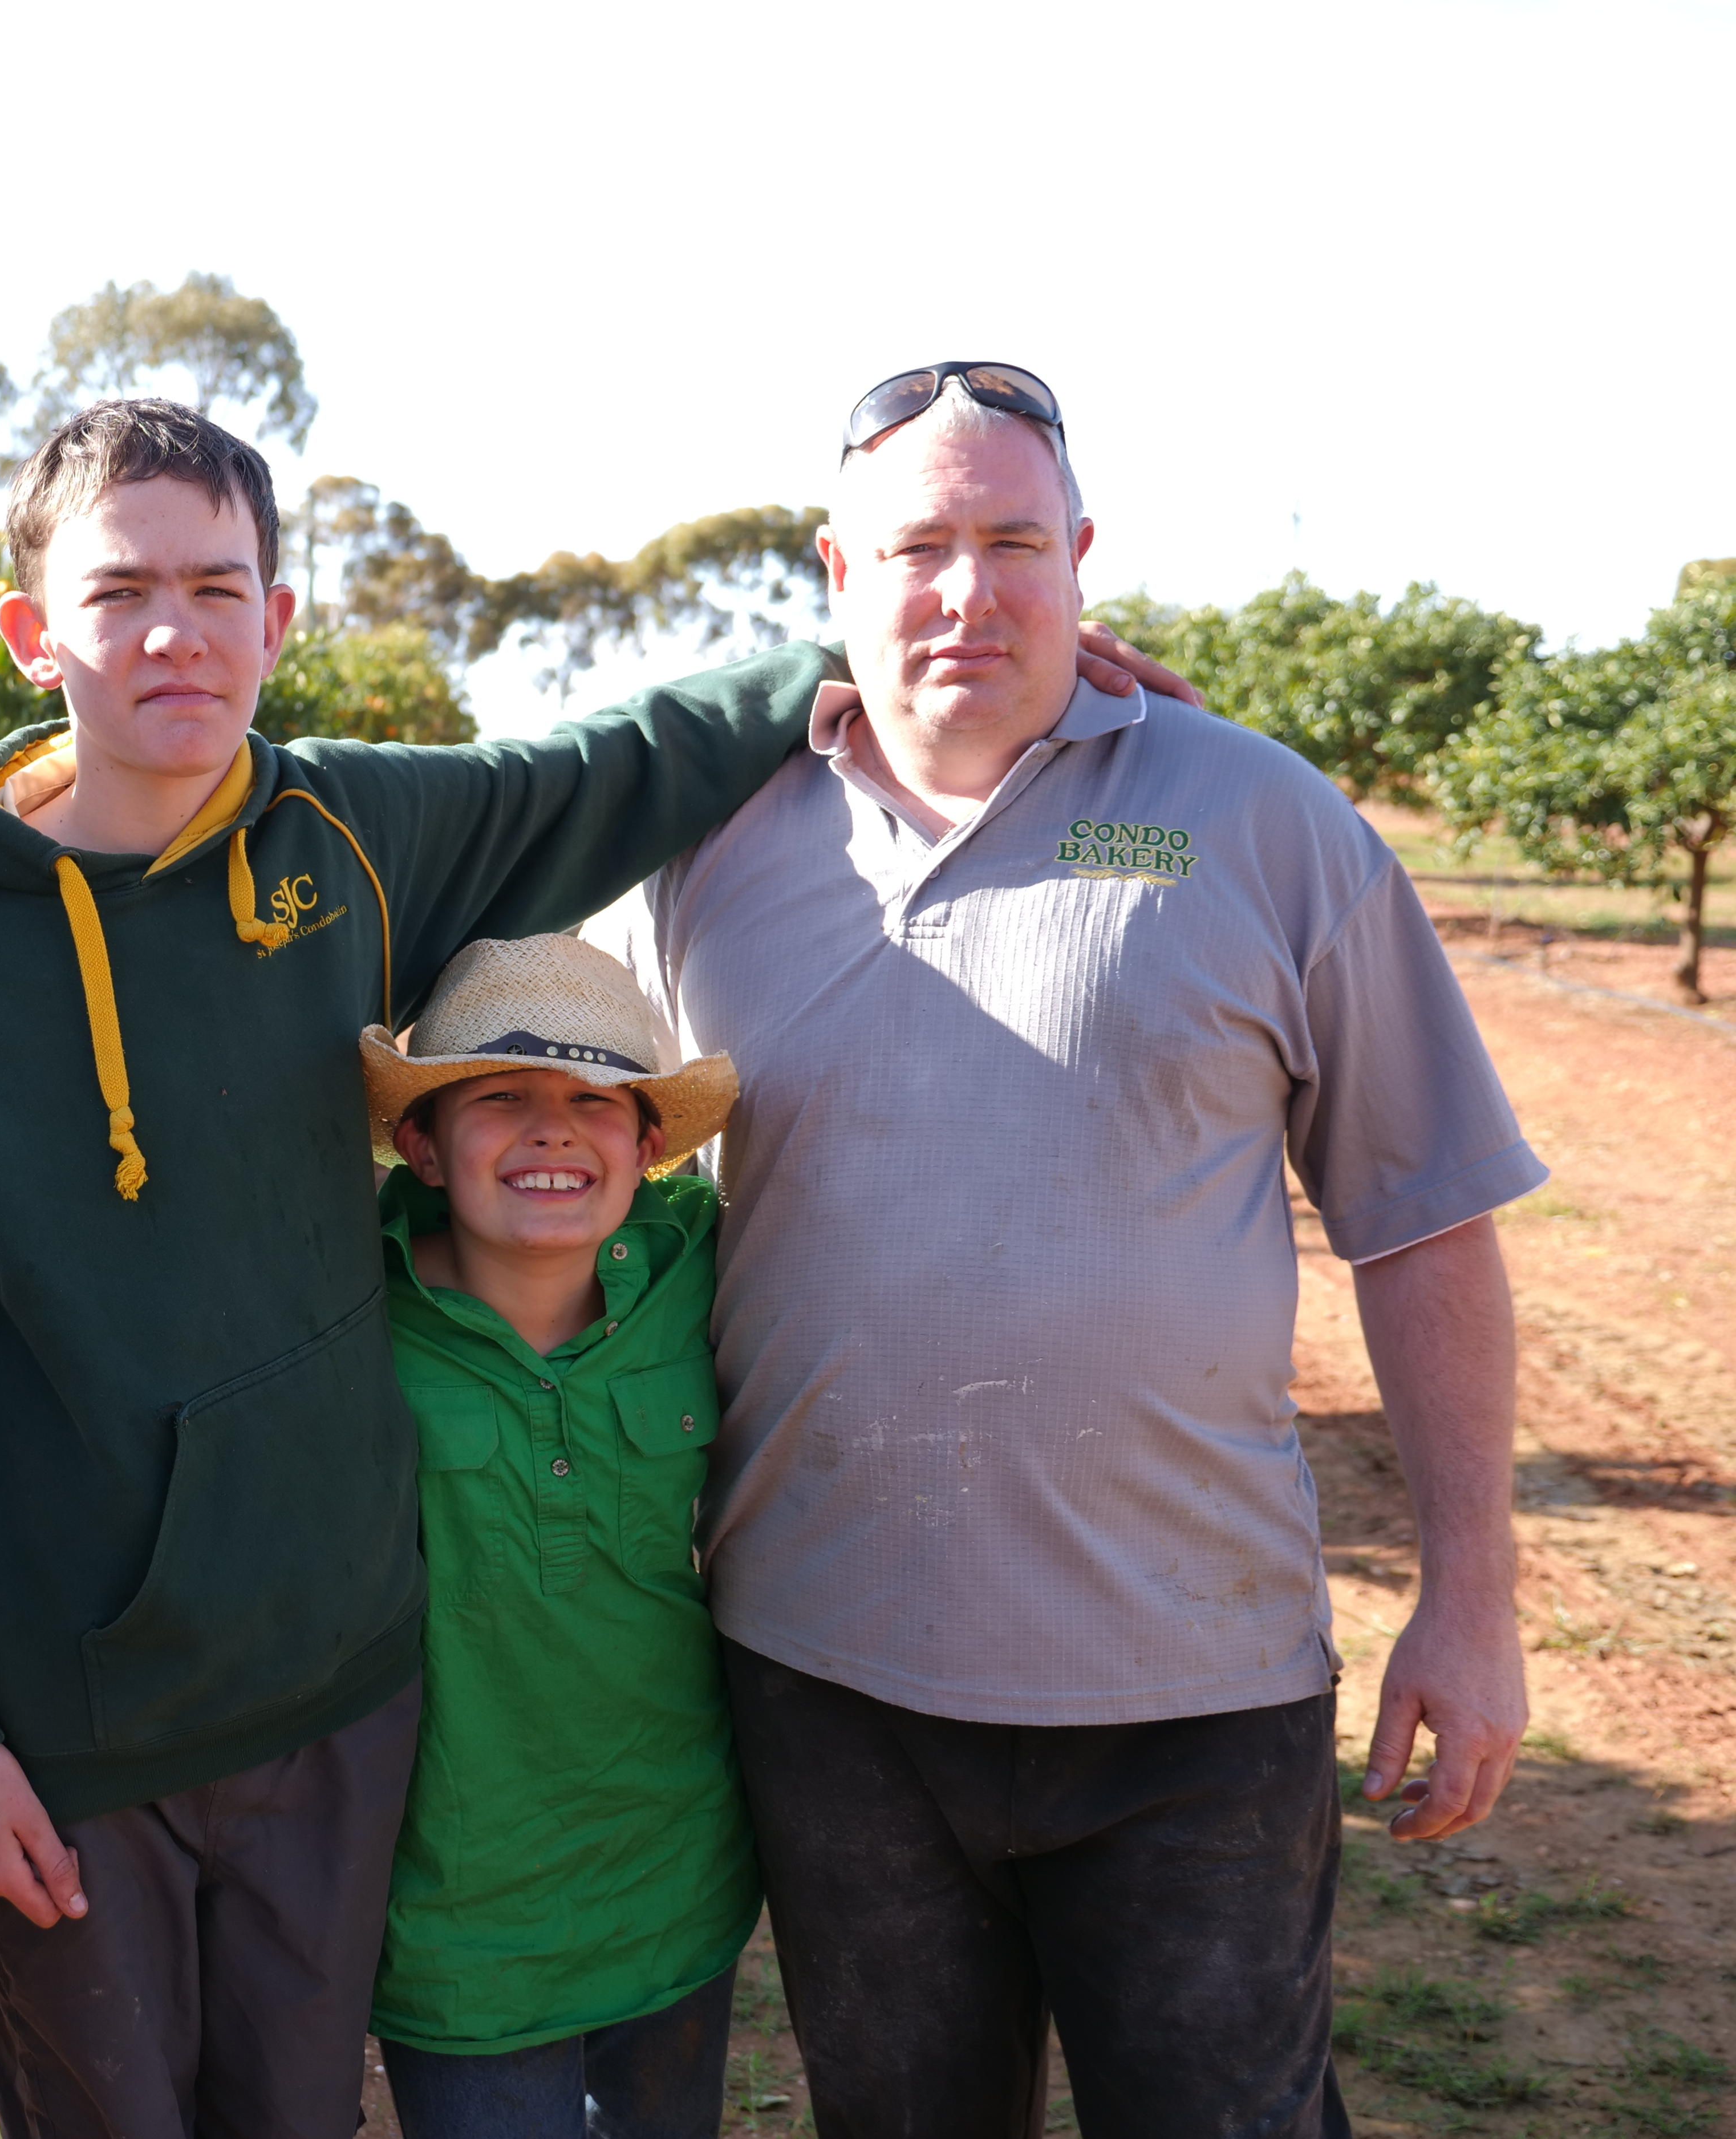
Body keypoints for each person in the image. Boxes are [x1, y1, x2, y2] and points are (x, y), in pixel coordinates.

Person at [0, 395, 1184, 2136]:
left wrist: (902, 634)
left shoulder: (344, 838)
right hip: (74, 1724)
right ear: (33, 631)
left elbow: (605, 767)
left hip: (335, 1695)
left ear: (280, 616)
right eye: (120, 592)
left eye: (219, 584)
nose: (175, 629)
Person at [589, 360, 1545, 2138]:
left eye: (1014, 541)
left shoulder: (1257, 819)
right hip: (826, 1673)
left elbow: (1422, 1223)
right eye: (918, 546)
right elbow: (556, 1146)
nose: (968, 590)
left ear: (1084, 557)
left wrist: (1473, 1601)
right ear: (835, 568)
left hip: (1194, 1692)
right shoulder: (704, 852)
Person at [363, 934, 750, 2139]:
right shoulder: (343, 1316)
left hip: (675, 1878)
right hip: (456, 1916)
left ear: (650, 1147)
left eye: (595, 1101)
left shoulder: (706, 1274)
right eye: (500, 1099)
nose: (552, 1130)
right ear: (421, 1145)